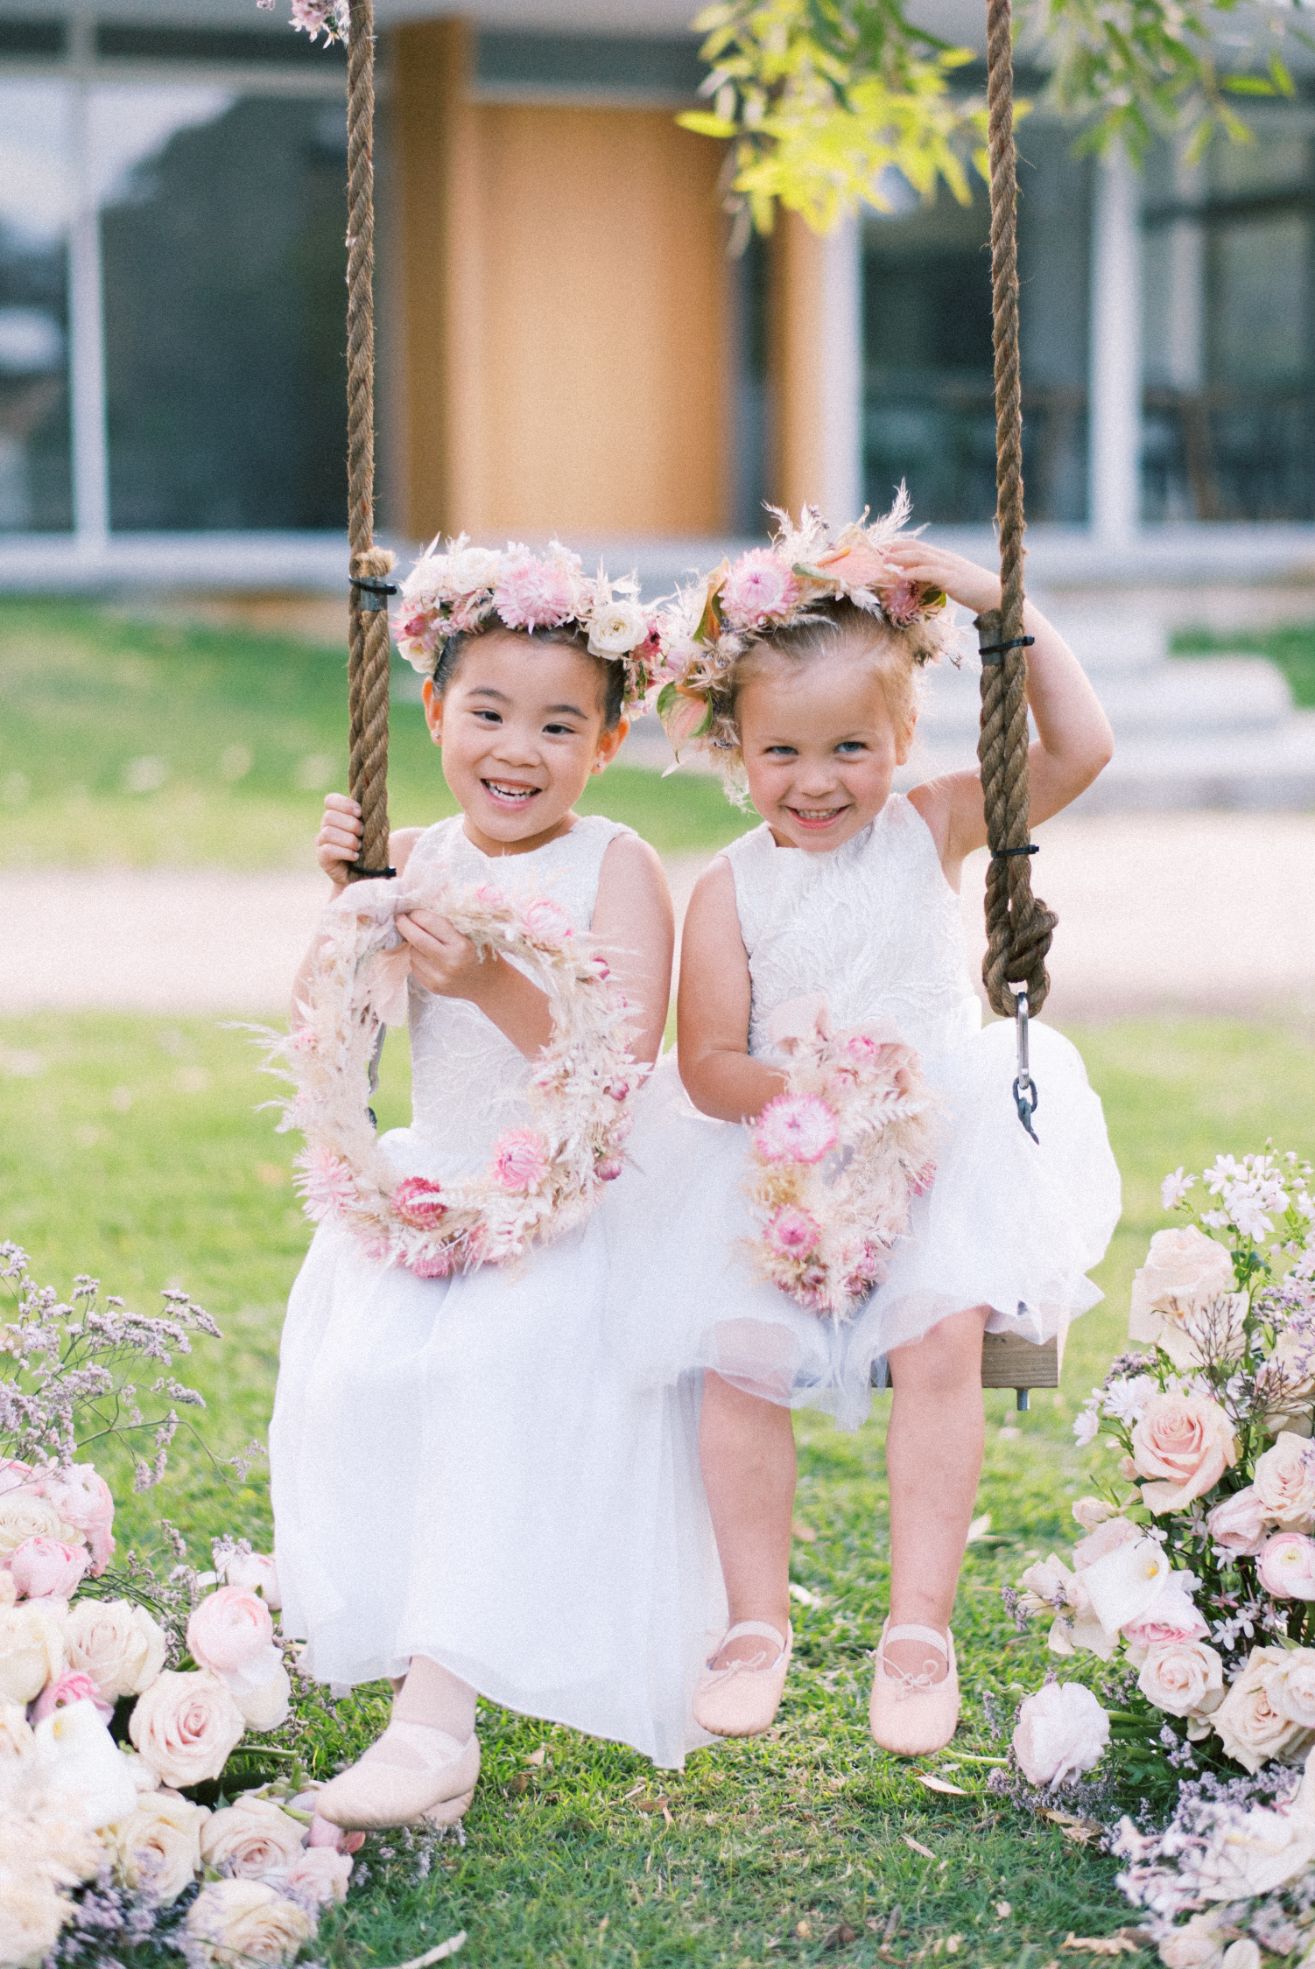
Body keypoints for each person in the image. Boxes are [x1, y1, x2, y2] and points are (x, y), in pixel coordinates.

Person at [619, 498, 1121, 1758]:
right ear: (737, 749)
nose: (818, 779)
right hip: (782, 1155)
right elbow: (708, 1065)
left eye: (851, 745)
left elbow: (1083, 746)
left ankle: (917, 1628)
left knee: (941, 1336)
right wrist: (812, 1101)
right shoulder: (729, 884)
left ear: (900, 737)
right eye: (783, 752)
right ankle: (753, 1623)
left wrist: (995, 600)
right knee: (736, 1356)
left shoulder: (932, 826)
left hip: (939, 1149)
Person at [269, 540, 717, 1831]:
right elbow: (324, 1034)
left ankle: (434, 1727)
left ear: (608, 742)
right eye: (487, 713)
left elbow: (618, 1068)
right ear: (432, 712)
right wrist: (346, 910)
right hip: (429, 1193)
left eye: (557, 724)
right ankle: (406, 1671)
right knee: (361, 1376)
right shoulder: (413, 857)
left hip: (574, 1204)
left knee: (488, 1371)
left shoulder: (617, 865)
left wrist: (480, 984)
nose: (516, 748)